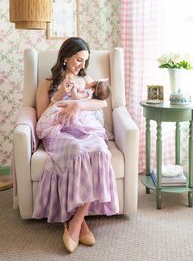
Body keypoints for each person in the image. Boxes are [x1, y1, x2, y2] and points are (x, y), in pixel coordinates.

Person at [33, 37, 118, 253]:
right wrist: (60, 96)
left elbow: (102, 100)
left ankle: (76, 221)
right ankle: (79, 222)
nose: (81, 65)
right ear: (66, 57)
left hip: (84, 126)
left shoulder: (86, 79)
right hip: (58, 130)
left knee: (99, 149)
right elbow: (42, 115)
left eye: (85, 61)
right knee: (79, 151)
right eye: (79, 59)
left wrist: (78, 105)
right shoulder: (46, 83)